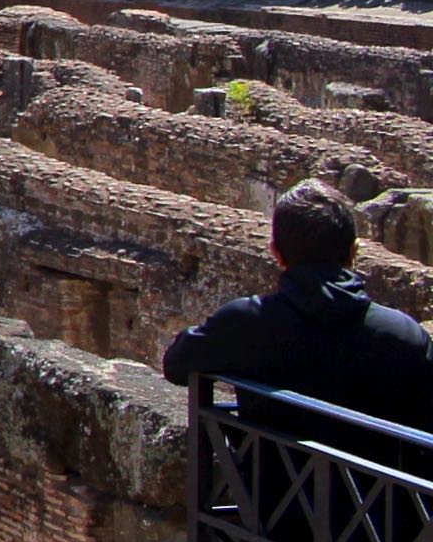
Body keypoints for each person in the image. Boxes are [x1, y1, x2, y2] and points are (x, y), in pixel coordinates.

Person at [164, 181, 433, 432]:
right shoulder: (406, 334)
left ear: (277, 253)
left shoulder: (246, 323)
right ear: (354, 252)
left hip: (271, 482)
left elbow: (176, 364)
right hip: (378, 483)